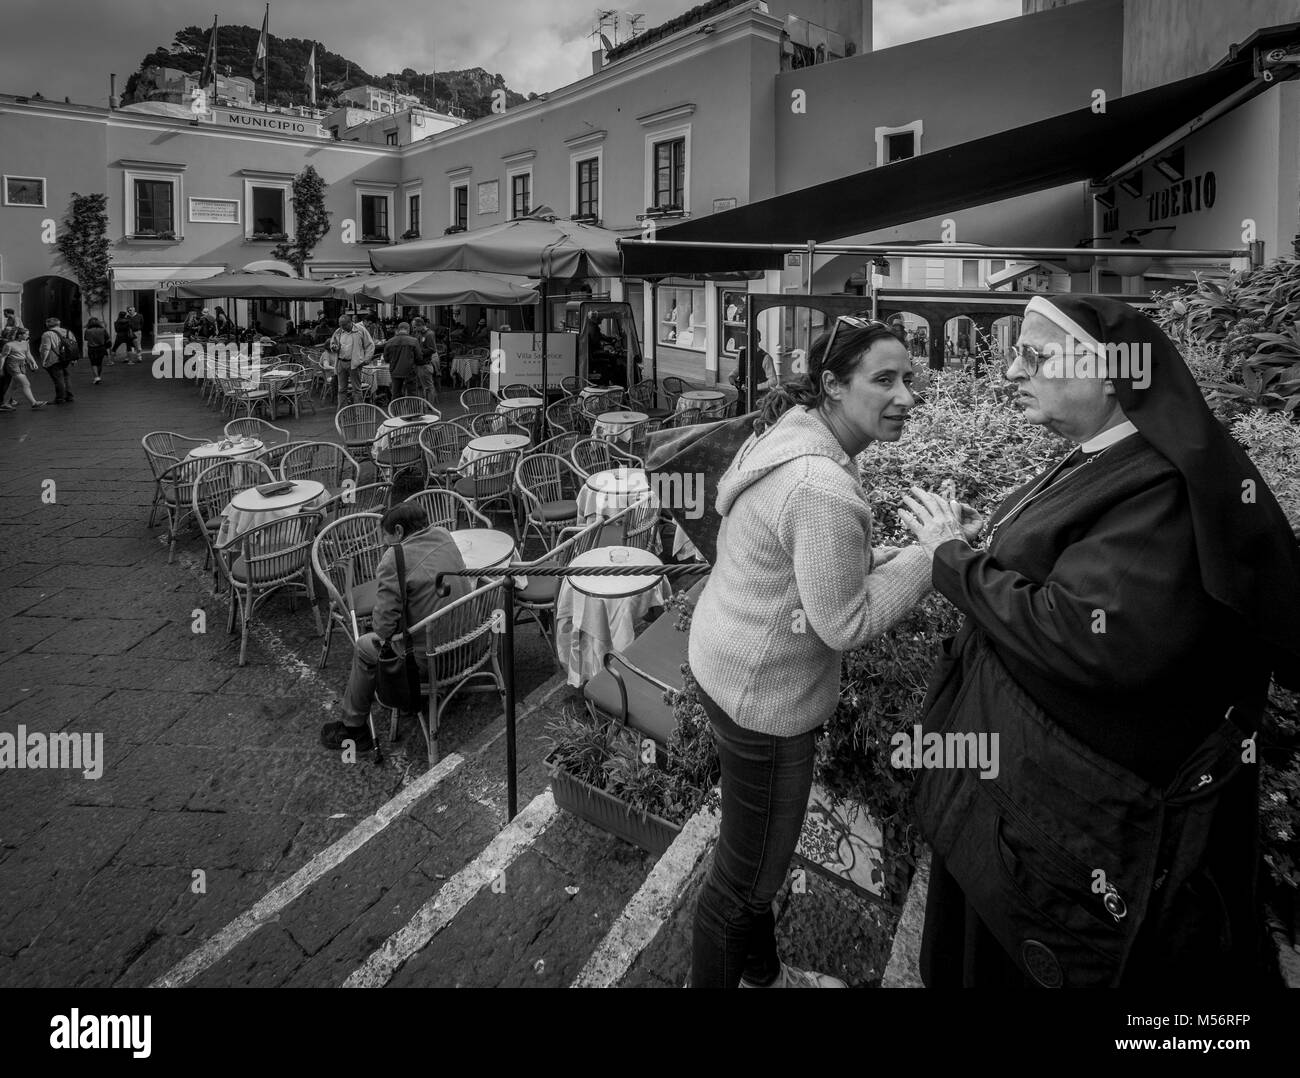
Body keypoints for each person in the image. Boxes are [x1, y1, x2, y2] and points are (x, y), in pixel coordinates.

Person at [915, 294, 1300, 989]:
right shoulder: (1113, 457)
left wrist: (953, 560)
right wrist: (994, 537)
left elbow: (1085, 636)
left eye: (1034, 354)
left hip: (1066, 836)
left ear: (1111, 372)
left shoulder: (1164, 492)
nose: (1011, 372)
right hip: (1034, 809)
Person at [687, 314, 976, 988]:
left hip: (726, 665)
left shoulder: (793, 439)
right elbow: (843, 620)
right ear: (833, 386)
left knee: (747, 859)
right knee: (743, 883)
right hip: (765, 703)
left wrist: (914, 553)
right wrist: (934, 558)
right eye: (885, 379)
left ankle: (763, 977)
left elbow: (822, 567)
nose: (906, 394)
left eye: (910, 377)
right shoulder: (821, 484)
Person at [319, 503, 474, 753]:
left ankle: (354, 728)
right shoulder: (445, 535)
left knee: (364, 646)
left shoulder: (395, 558)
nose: (384, 544)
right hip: (471, 642)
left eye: (386, 538)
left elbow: (382, 629)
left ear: (399, 531)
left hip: (432, 660)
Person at [329, 313, 374, 407]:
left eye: (344, 325)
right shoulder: (339, 331)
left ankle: (359, 411)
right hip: (341, 362)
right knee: (341, 389)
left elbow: (370, 345)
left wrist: (366, 359)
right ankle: (342, 411)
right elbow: (333, 342)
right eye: (340, 325)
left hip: (354, 363)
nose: (342, 327)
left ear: (350, 322)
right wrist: (334, 347)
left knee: (356, 389)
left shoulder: (360, 330)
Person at [0, 328, 46, 410]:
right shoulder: (9, 345)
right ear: (19, 335)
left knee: (13, 386)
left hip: (22, 364)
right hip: (12, 364)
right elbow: (3, 357)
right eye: (26, 334)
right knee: (26, 384)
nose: (28, 335)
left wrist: (33, 362)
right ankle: (34, 403)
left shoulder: (25, 343)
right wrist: (1, 369)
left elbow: (28, 354)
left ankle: (5, 404)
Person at [39, 317, 77, 404]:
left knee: (58, 378)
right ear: (58, 323)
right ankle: (69, 396)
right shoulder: (68, 332)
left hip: (54, 358)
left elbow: (46, 348)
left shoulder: (47, 334)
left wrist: (44, 360)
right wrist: (74, 358)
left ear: (47, 324)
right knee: (66, 377)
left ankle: (60, 398)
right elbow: (74, 345)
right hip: (66, 358)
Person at [730, 329, 776, 397]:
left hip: (759, 398)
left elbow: (773, 381)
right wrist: (732, 376)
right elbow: (739, 369)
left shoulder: (766, 358)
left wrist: (755, 387)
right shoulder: (741, 353)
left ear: (759, 339)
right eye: (749, 337)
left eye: (754, 337)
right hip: (743, 397)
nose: (751, 340)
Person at [383, 321, 420, 400]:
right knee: (412, 394)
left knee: (396, 394)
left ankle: (396, 411)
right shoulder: (414, 341)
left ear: (398, 330)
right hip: (410, 371)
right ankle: (412, 411)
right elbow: (419, 357)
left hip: (395, 371)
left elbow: (386, 358)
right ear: (408, 329)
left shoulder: (389, 342)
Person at [410, 317, 440, 401]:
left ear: (421, 325)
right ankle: (421, 405)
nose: (414, 329)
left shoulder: (429, 334)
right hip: (418, 364)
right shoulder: (418, 333)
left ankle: (429, 406)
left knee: (428, 387)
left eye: (415, 327)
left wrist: (419, 351)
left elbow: (432, 349)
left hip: (425, 365)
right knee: (419, 386)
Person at [83, 317, 109, 384]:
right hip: (101, 348)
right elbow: (107, 337)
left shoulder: (87, 330)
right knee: (99, 363)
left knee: (93, 363)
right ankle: (99, 376)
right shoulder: (103, 330)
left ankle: (96, 377)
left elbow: (86, 339)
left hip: (91, 348)